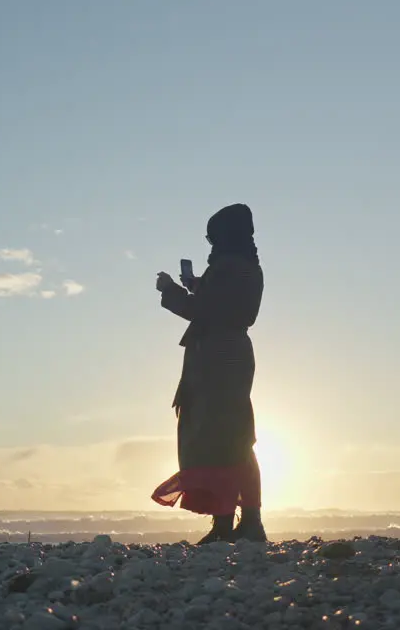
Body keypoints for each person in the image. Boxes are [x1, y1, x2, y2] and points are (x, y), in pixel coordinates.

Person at [151, 203, 267, 544]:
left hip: (216, 357)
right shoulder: (247, 267)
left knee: (218, 437)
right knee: (235, 439)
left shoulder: (229, 267)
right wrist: (197, 284)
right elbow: (223, 303)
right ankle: (247, 521)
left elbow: (205, 311)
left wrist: (171, 290)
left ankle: (225, 525)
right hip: (231, 354)